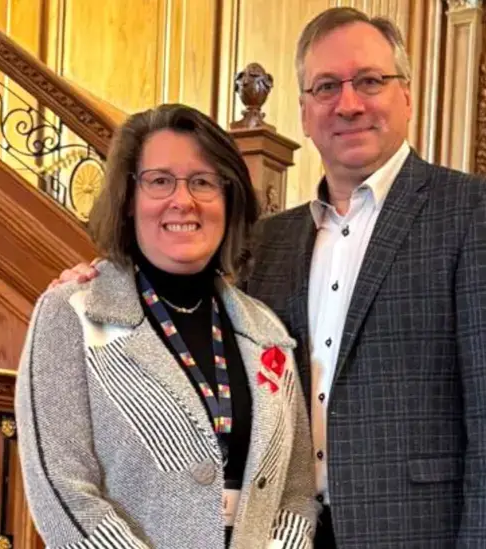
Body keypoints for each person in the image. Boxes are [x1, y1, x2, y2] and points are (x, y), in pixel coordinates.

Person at [55, 8, 486, 548]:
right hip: (281, 533)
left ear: (406, 96)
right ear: (305, 112)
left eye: (370, 81)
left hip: (415, 531)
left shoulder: (473, 212)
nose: (349, 103)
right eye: (326, 87)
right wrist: (105, 278)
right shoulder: (270, 240)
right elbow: (182, 303)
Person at [17, 104, 317, 549]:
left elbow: (294, 495)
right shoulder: (72, 311)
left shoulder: (266, 329)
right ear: (128, 200)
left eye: (203, 181)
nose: (183, 200)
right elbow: (61, 490)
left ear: (228, 200)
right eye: (160, 181)